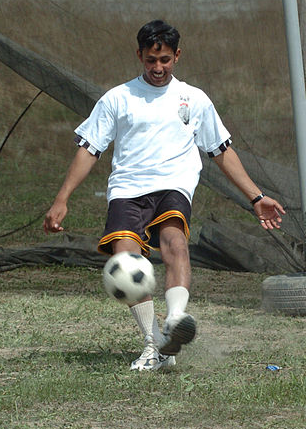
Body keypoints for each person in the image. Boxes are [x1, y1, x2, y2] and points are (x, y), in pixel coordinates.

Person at [43, 19, 285, 371]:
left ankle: (174, 322)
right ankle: (153, 345)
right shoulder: (118, 98)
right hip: (127, 189)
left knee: (175, 242)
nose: (158, 68)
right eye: (151, 60)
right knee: (126, 264)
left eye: (165, 60)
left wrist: (255, 196)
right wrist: (61, 198)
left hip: (174, 184)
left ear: (177, 57)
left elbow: (221, 150)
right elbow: (89, 149)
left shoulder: (194, 99)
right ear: (139, 56)